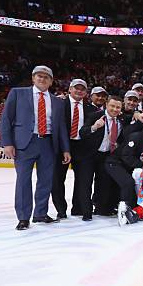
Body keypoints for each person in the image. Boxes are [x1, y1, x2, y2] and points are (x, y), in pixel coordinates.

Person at [0, 65, 71, 230]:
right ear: (33, 78)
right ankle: (23, 217)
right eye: (39, 76)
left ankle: (40, 213)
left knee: (45, 181)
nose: (42, 79)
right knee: (23, 180)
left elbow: (60, 127)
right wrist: (7, 143)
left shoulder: (57, 101)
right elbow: (6, 119)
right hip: (25, 143)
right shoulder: (17, 93)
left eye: (46, 77)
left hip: (48, 143)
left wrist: (66, 149)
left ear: (51, 81)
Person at [51, 79, 96, 219]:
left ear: (86, 92)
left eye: (82, 89)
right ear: (70, 89)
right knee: (57, 180)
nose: (79, 91)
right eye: (76, 88)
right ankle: (61, 210)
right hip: (61, 147)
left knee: (84, 180)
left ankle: (79, 208)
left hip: (83, 147)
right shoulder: (59, 104)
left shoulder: (91, 109)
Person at [79, 96, 127, 221]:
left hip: (106, 156)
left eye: (118, 107)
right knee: (86, 183)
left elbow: (122, 138)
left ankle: (101, 209)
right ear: (106, 105)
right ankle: (86, 212)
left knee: (103, 183)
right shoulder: (95, 116)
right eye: (112, 106)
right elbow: (82, 132)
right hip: (89, 155)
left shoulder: (121, 120)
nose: (115, 109)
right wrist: (94, 127)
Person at [108, 118, 143, 222]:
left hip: (129, 166)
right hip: (115, 163)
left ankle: (133, 210)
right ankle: (124, 211)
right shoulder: (136, 137)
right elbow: (126, 156)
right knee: (128, 183)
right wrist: (142, 165)